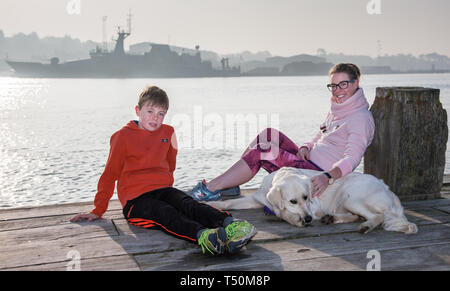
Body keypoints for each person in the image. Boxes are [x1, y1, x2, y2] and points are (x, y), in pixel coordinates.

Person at [70, 86, 256, 255]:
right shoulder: (121, 137)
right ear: (138, 111)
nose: (155, 118)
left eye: (161, 113)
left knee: (187, 203)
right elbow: (109, 175)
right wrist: (98, 209)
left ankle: (232, 225)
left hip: (162, 190)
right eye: (150, 111)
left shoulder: (169, 133)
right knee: (165, 212)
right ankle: (205, 237)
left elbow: (170, 165)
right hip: (136, 202)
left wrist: (168, 189)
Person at [190, 63, 375, 200]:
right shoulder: (337, 108)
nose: (337, 91)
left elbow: (353, 158)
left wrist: (327, 177)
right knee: (268, 134)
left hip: (318, 175)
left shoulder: (359, 118)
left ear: (356, 82)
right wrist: (305, 146)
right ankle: (231, 184)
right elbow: (321, 135)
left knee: (264, 149)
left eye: (343, 85)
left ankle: (211, 189)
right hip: (307, 161)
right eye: (333, 86)